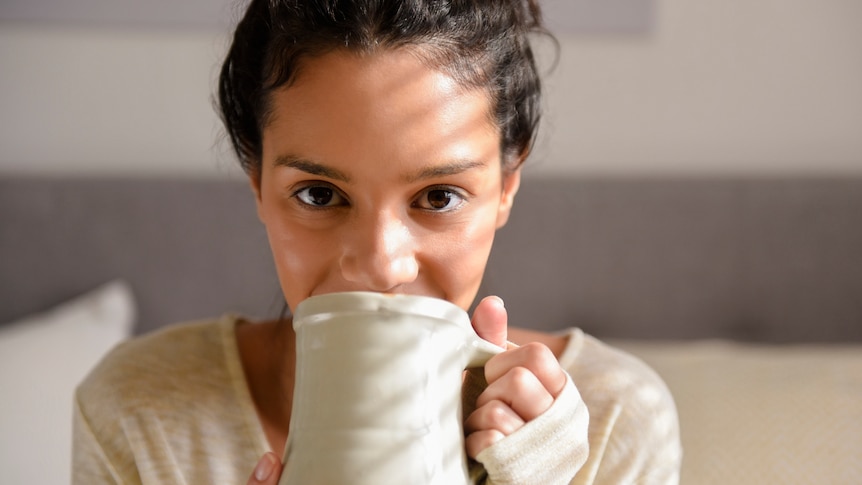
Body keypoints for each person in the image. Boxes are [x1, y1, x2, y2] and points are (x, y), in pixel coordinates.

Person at [72, 0, 682, 483]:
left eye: (439, 196)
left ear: (505, 188)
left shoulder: (613, 422)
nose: (380, 265)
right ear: (258, 184)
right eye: (318, 194)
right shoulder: (137, 413)